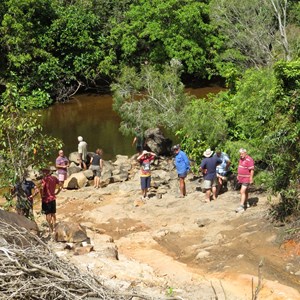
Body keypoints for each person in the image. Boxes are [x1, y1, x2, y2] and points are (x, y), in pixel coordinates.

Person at [40, 167, 62, 234]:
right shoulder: (54, 178)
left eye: (43, 172)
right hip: (53, 198)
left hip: (46, 199)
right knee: (53, 213)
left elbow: (42, 188)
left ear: (44, 172)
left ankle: (50, 228)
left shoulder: (44, 180)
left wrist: (41, 195)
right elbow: (61, 186)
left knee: (48, 214)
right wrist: (57, 192)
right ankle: (54, 227)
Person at [235, 148, 254, 213]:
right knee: (245, 191)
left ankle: (241, 206)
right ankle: (246, 202)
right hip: (241, 177)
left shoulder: (249, 159)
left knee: (242, 191)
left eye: (242, 154)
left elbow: (251, 170)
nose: (241, 155)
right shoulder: (241, 159)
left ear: (245, 153)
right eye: (240, 154)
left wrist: (251, 178)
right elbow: (240, 166)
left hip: (246, 178)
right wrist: (238, 175)